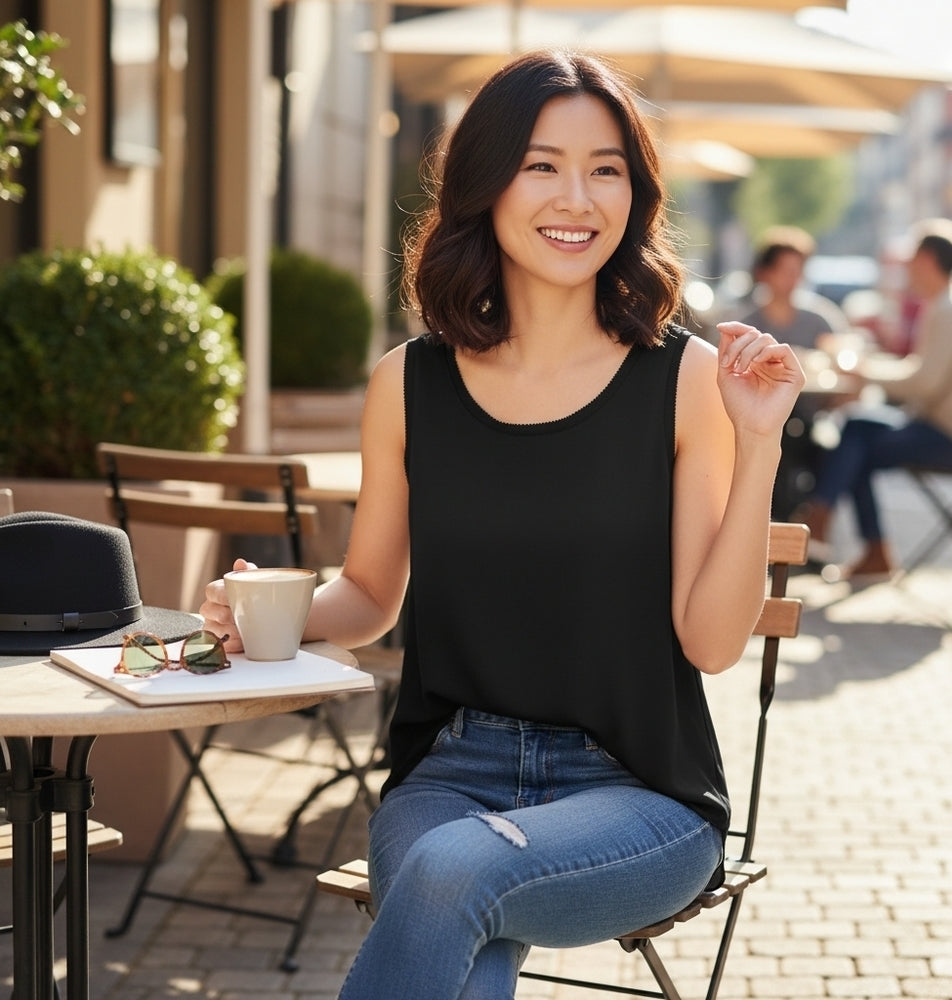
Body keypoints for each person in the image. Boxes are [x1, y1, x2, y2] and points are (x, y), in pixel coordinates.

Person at [201, 50, 804, 1000]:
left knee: (454, 873)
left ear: (635, 194)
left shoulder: (683, 382)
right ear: (486, 184)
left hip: (637, 794)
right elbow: (367, 595)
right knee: (459, 913)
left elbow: (713, 641)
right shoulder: (409, 383)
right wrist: (267, 611)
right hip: (449, 773)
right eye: (541, 164)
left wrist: (759, 444)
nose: (578, 197)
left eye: (606, 168)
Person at [797, 220, 952, 579]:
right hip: (948, 427)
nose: (905, 269)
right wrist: (870, 367)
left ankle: (826, 520)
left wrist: (864, 371)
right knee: (856, 431)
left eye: (910, 260)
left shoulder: (950, 309)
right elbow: (921, 373)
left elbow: (924, 383)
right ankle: (840, 529)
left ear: (926, 259)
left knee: (855, 442)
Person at [739, 226, 849, 519]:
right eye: (785, 271)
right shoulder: (744, 322)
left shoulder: (820, 319)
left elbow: (843, 363)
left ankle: (806, 527)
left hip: (810, 420)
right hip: (756, 419)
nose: (793, 280)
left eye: (798, 271)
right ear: (765, 272)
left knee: (833, 446)